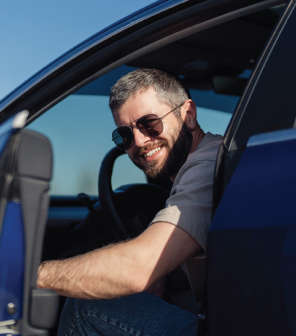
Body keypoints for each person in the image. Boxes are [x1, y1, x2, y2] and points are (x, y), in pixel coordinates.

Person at [37, 68, 223, 336]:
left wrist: (34, 276)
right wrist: (165, 275)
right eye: (124, 135)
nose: (138, 141)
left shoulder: (207, 167)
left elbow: (139, 268)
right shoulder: (202, 163)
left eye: (150, 123)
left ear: (188, 115)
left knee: (85, 308)